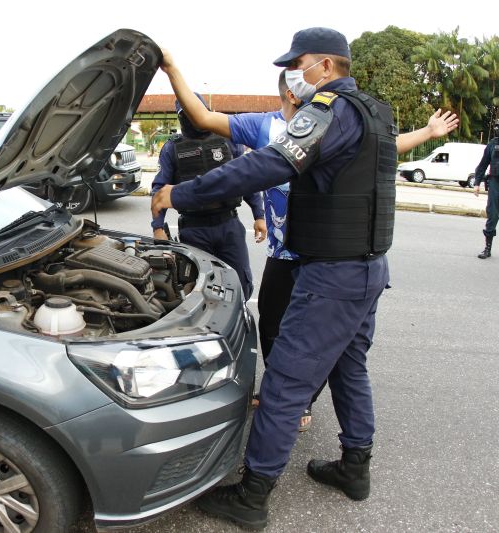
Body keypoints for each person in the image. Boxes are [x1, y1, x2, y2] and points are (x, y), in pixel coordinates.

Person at [151, 27, 452, 530]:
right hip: (369, 269)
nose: (294, 73)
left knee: (287, 381)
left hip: (332, 275)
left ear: (327, 66)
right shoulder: (375, 112)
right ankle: (355, 469)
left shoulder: (328, 111)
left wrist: (177, 196)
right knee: (348, 369)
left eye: (300, 63)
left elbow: (266, 166)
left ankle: (253, 495)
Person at [150, 94, 266, 301]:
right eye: (187, 114)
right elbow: (159, 189)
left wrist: (259, 215)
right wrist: (158, 228)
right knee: (200, 289)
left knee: (240, 284)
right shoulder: (171, 149)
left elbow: (245, 179)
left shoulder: (228, 141)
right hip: (194, 231)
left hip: (228, 224)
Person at [473, 128, 499, 259]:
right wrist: (477, 183)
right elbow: (483, 164)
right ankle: (487, 248)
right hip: (495, 184)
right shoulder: (492, 144)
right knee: (492, 215)